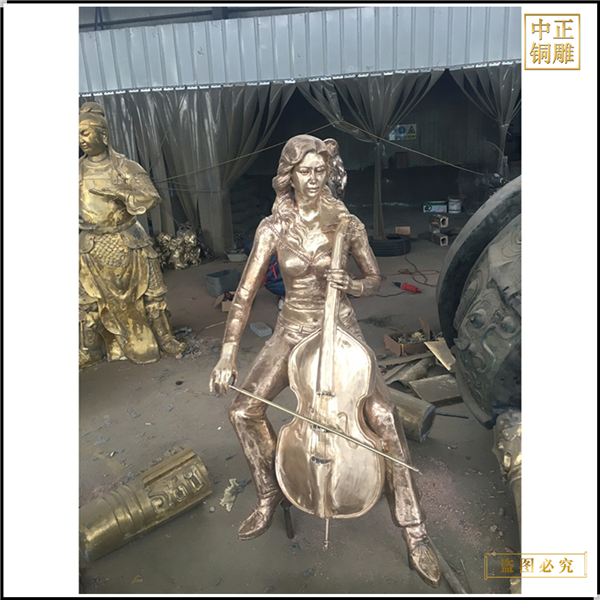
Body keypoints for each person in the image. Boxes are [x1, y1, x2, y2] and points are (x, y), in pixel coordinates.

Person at [209, 135, 441, 588]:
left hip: (340, 330)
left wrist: (353, 286)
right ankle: (271, 493)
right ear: (288, 176)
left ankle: (415, 531)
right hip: (293, 329)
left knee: (383, 416)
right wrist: (226, 355)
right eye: (304, 172)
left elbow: (374, 278)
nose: (313, 180)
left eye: (320, 171)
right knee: (243, 410)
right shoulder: (272, 228)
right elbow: (244, 296)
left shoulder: (346, 223)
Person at [79, 102, 185, 367]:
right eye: (77, 135)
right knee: (87, 301)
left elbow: (151, 197)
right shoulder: (77, 171)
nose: (81, 140)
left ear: (103, 135)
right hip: (91, 245)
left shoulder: (125, 167)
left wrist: (119, 193)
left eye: (85, 132)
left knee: (153, 293)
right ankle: (91, 348)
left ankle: (165, 338)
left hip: (129, 241)